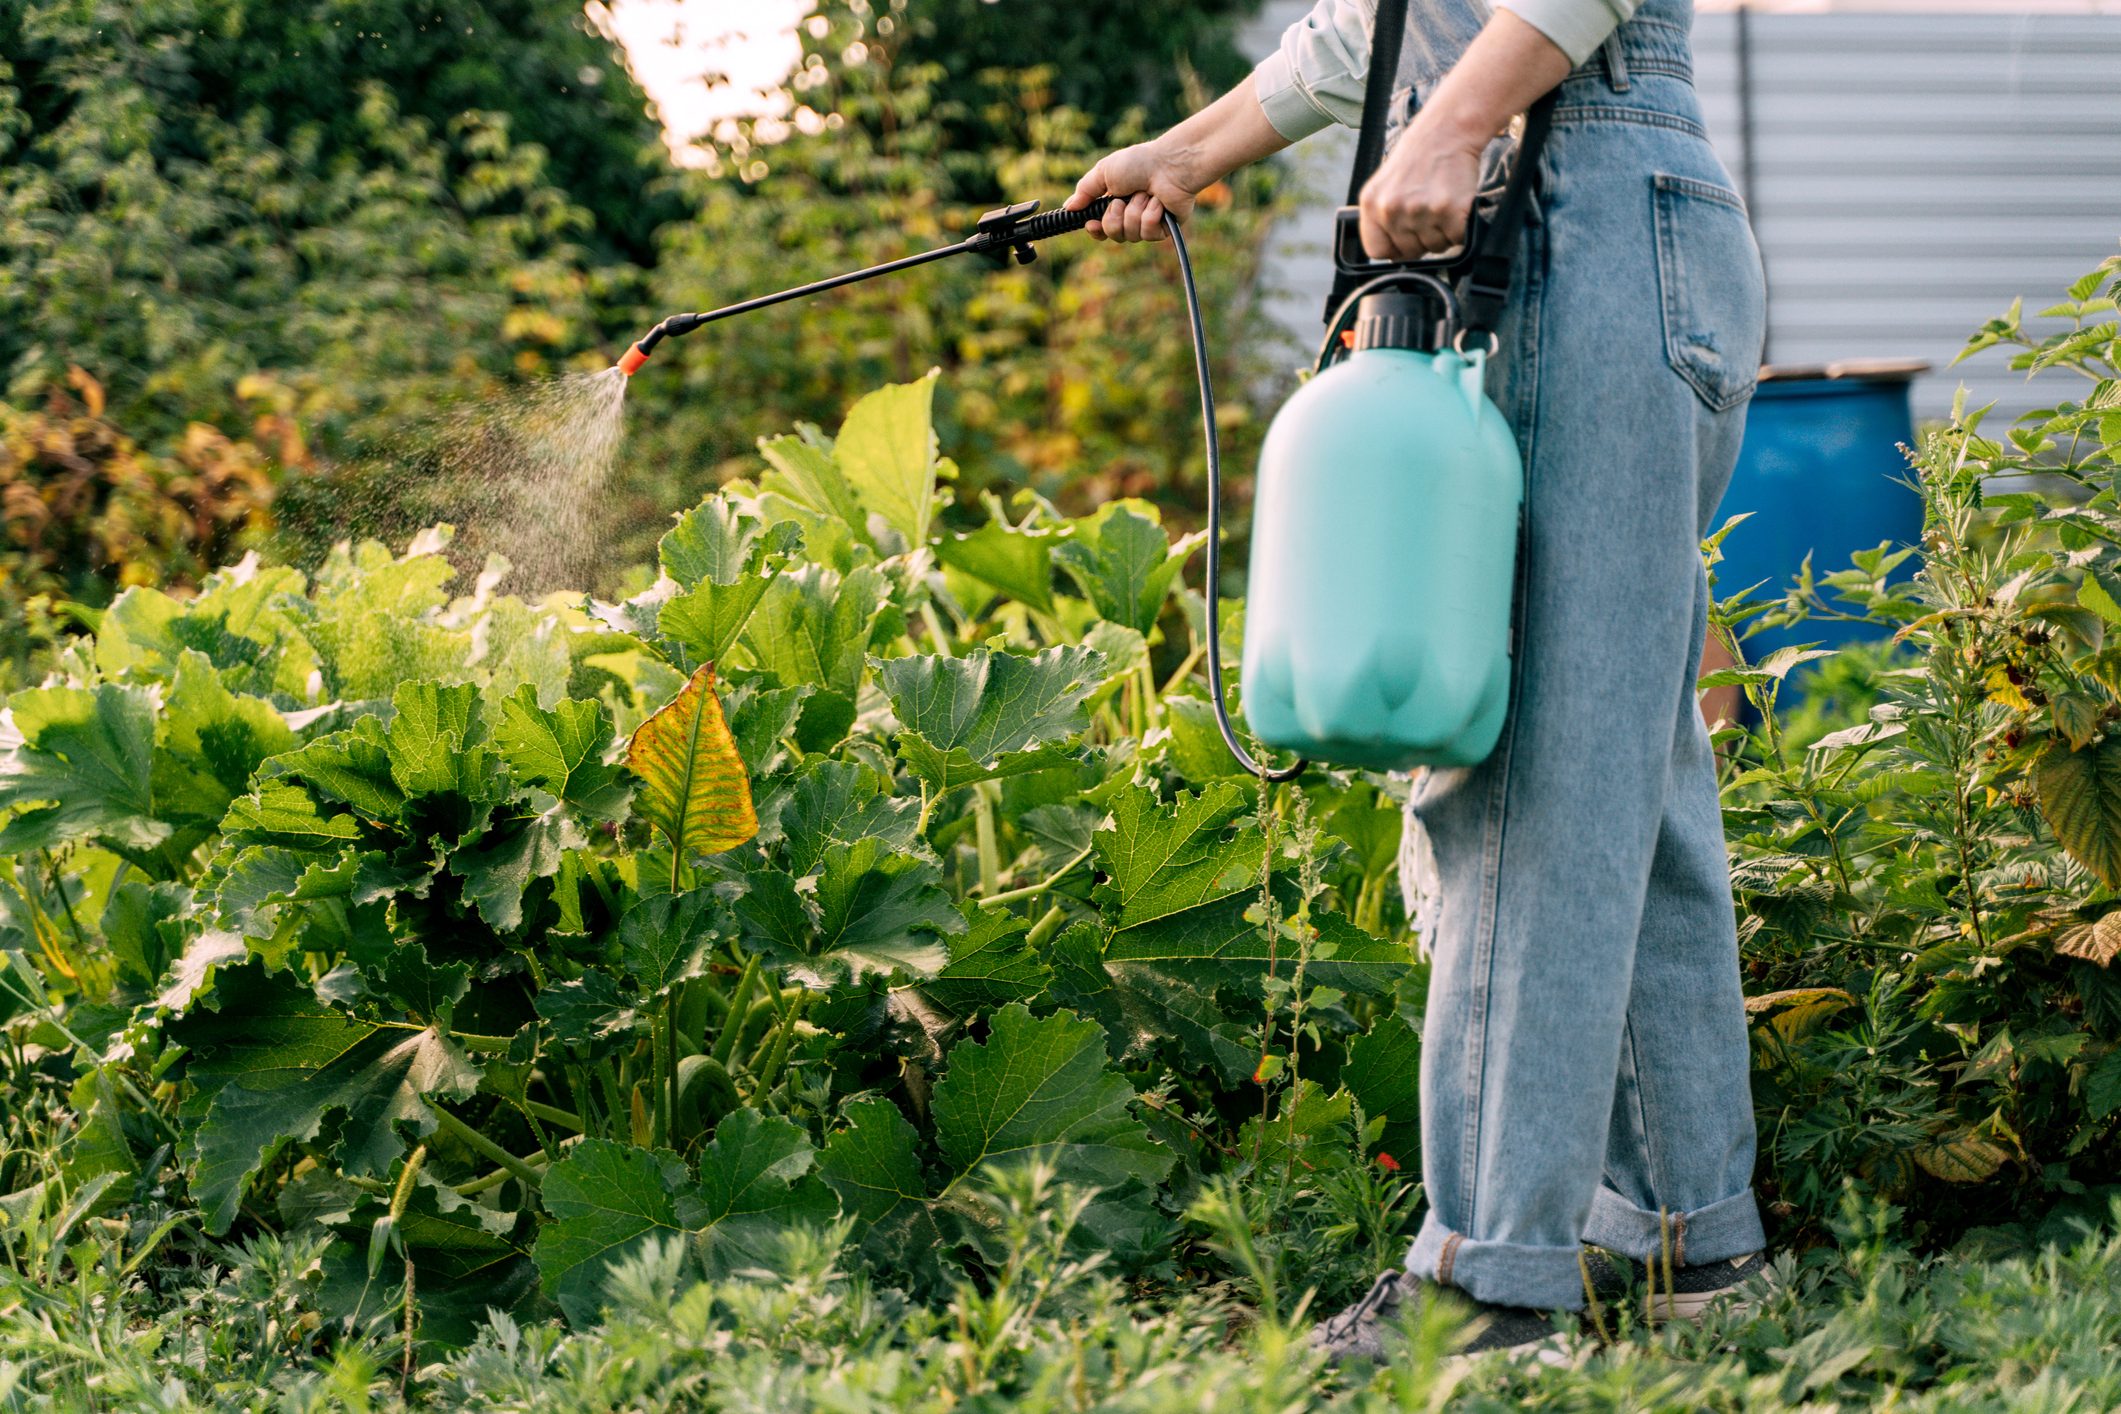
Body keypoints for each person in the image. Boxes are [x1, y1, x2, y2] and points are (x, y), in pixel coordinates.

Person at [1065, 0, 1770, 1364]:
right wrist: (1186, 151)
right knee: (1627, 749)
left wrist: (1454, 122)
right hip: (1609, 204)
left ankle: (1491, 1282)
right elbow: (1381, 26)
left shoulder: (1501, 124)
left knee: (1527, 762)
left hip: (1576, 195)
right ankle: (1694, 1236)